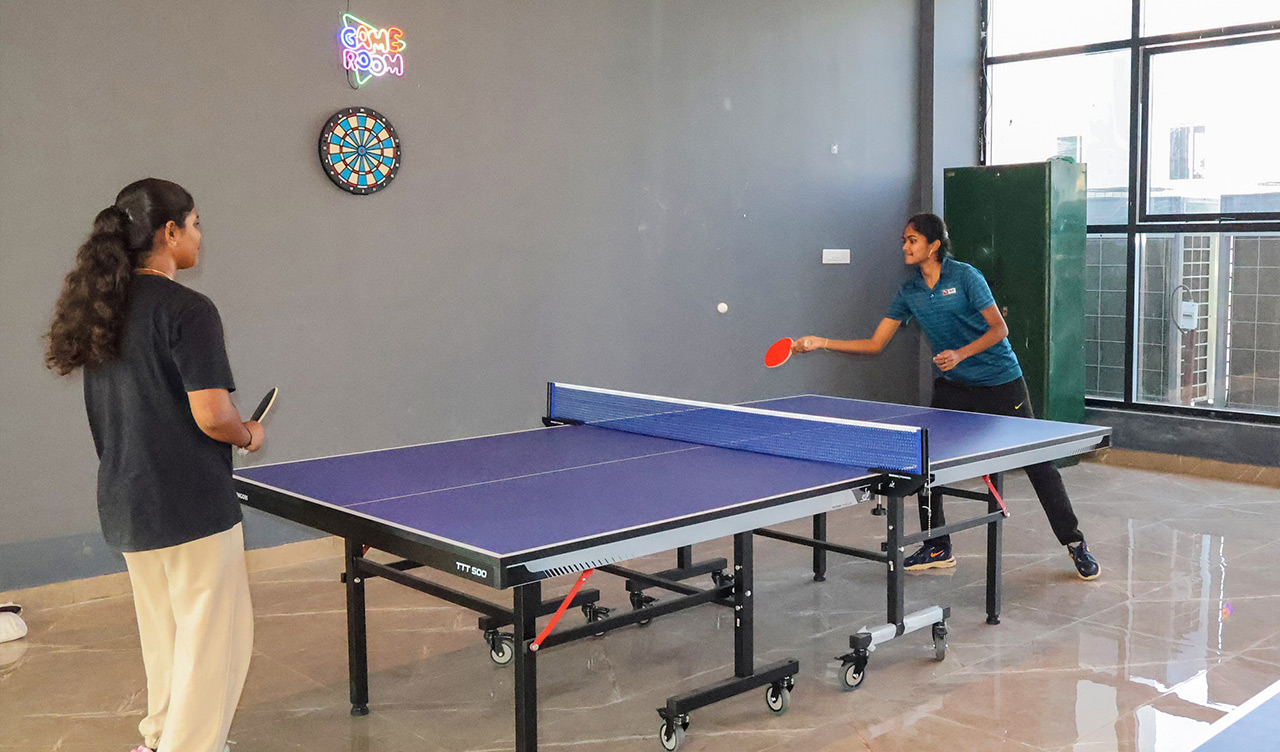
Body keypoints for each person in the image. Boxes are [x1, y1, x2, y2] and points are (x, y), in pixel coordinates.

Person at [45, 178, 263, 752]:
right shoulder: (188, 309)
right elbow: (212, 415)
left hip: (127, 498)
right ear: (169, 232)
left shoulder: (103, 308)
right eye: (195, 224)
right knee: (213, 642)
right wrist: (249, 433)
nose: (199, 237)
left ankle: (160, 737)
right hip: (190, 502)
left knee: (164, 635)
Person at [791, 213, 1099, 581]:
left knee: (1038, 462)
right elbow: (875, 344)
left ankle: (1074, 541)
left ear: (934, 245)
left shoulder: (966, 277)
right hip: (954, 387)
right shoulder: (910, 292)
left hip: (1000, 382)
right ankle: (937, 545)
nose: (905, 247)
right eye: (904, 241)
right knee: (926, 460)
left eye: (912, 240)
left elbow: (999, 328)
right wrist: (821, 342)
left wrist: (960, 354)